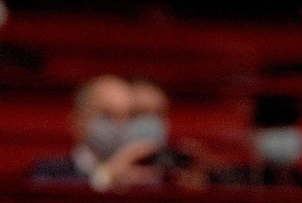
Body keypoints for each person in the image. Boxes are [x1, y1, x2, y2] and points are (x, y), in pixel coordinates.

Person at [30, 75, 198, 192]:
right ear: (77, 121)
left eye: (130, 115)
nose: (120, 125)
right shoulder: (49, 172)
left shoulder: (153, 171)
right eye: (107, 115)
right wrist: (108, 175)